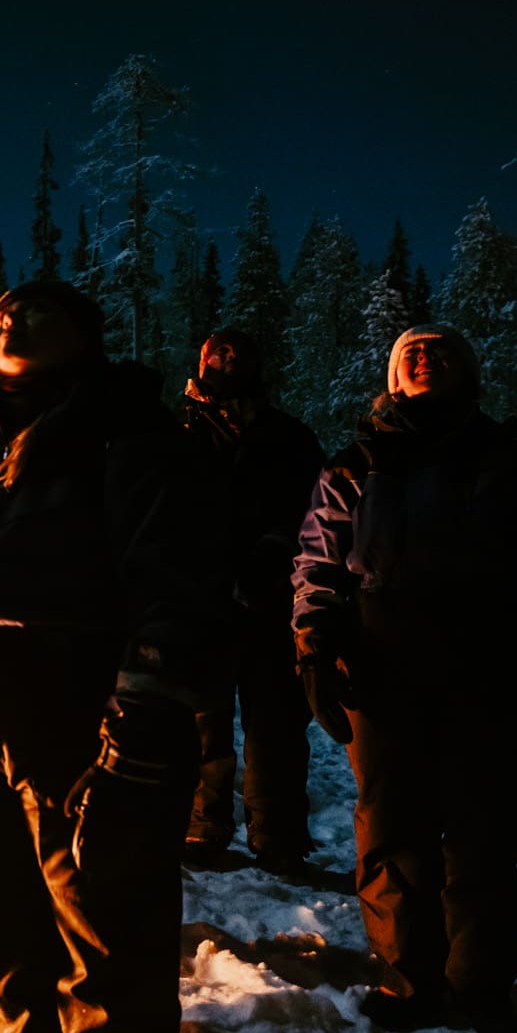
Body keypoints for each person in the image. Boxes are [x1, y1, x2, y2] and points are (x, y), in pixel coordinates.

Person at [0, 280, 222, 1033]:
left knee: (108, 955)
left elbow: (178, 591)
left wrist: (139, 735)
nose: (9, 317)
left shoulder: (129, 433)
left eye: (36, 309)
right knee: (3, 944)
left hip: (79, 707)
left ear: (82, 337)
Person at [292, 324, 517, 1033]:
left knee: (485, 837)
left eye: (439, 349)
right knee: (392, 830)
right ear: (393, 378)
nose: (422, 355)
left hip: (489, 663)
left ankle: (481, 988)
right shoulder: (356, 466)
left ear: (465, 370)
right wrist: (313, 650)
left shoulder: (514, 466)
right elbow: (317, 567)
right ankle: (410, 980)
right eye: (409, 351)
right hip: (382, 665)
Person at [178, 329, 325, 875]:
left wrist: (275, 549)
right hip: (200, 602)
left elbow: (319, 510)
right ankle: (202, 825)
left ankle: (279, 835)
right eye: (220, 354)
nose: (230, 360)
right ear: (203, 362)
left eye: (241, 354)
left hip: (271, 602)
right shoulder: (178, 435)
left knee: (277, 724)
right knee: (202, 719)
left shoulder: (290, 437)